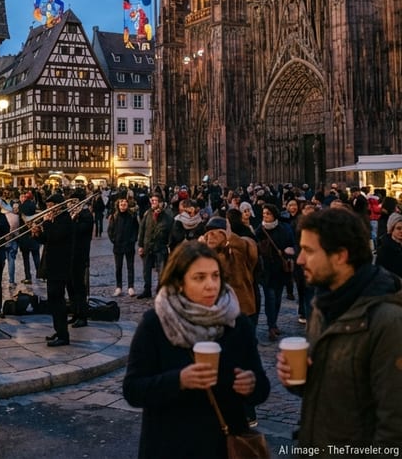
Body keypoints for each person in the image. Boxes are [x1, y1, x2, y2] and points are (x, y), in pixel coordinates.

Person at [122, 241, 270, 458]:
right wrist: (178, 380)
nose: (210, 285)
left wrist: (251, 385)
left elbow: (261, 388)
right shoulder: (156, 323)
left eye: (215, 275)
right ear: (180, 282)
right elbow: (133, 390)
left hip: (223, 445)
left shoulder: (236, 323)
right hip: (169, 446)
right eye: (199, 277)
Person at [276, 207, 402, 450]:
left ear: (340, 256)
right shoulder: (324, 305)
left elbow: (394, 431)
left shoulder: (389, 322)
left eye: (309, 251)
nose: (300, 259)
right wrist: (302, 380)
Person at [253, 204, 295, 341]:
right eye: (264, 213)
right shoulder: (260, 230)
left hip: (280, 269)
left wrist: (289, 250)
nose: (265, 216)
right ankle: (271, 326)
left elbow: (290, 243)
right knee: (270, 298)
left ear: (274, 215)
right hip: (267, 270)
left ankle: (274, 322)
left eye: (268, 213)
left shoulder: (283, 229)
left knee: (277, 299)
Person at [38, 193, 74, 347]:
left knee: (57, 300)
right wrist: (36, 234)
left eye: (50, 206)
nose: (48, 210)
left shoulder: (65, 220)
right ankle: (58, 330)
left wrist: (45, 224)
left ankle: (63, 335)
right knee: (53, 301)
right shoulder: (56, 220)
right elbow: (46, 239)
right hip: (51, 265)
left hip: (60, 266)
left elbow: (56, 236)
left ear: (58, 206)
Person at [137, 195, 174, 298]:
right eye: (151, 200)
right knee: (146, 270)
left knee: (161, 270)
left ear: (161, 203)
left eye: (155, 200)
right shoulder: (148, 214)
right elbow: (142, 230)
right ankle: (147, 290)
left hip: (160, 247)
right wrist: (140, 245)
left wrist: (169, 245)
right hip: (147, 245)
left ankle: (160, 291)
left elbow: (171, 232)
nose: (152, 202)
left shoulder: (167, 216)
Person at [68, 193, 95, 327]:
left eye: (73, 203)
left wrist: (73, 219)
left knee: (79, 287)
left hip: (80, 255)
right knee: (71, 287)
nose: (70, 206)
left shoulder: (86, 216)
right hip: (70, 255)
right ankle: (75, 313)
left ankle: (82, 316)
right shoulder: (73, 215)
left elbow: (78, 230)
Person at [110, 197, 140, 297]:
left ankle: (130, 287)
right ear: (118, 206)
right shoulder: (114, 216)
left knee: (130, 267)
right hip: (118, 246)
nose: (123, 206)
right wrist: (114, 240)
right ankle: (118, 287)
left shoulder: (132, 216)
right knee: (118, 267)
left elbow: (136, 229)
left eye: (125, 205)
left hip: (129, 245)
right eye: (121, 205)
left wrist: (133, 240)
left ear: (127, 205)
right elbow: (110, 230)